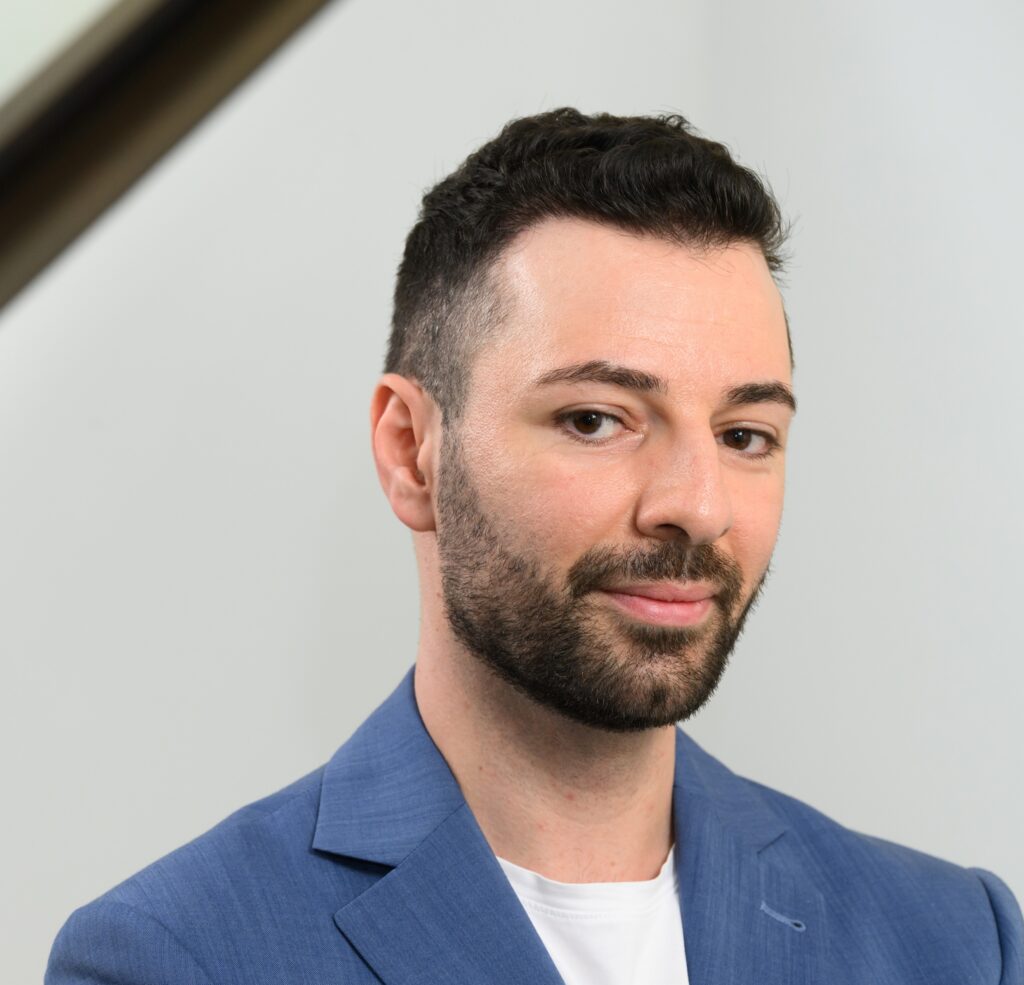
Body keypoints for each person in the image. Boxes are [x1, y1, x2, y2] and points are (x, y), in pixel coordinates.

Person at [47, 108, 1022, 985]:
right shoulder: (175, 958)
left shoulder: (957, 941)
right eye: (597, 419)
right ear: (410, 451)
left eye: (744, 436)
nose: (696, 505)